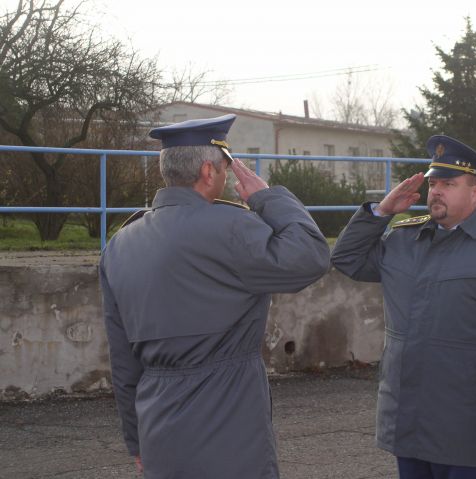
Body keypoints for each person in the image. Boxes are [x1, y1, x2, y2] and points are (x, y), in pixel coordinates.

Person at [99, 114, 330, 478]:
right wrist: (268, 198)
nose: (225, 176)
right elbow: (311, 256)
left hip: (159, 435)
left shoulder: (119, 245)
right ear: (208, 171)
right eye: (225, 167)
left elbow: (124, 363)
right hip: (231, 432)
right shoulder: (233, 228)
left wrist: (136, 440)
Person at [331, 135, 476, 479]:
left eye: (449, 184)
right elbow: (346, 258)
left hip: (467, 420)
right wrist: (382, 212)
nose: (437, 192)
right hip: (408, 415)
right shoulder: (404, 239)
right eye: (433, 184)